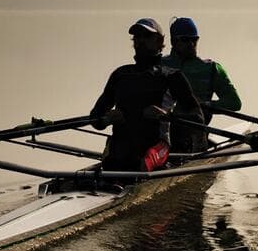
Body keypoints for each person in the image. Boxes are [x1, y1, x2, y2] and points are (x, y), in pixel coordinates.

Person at [89, 18, 203, 172]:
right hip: (122, 145)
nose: (141, 40)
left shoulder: (172, 76)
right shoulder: (120, 74)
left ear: (160, 41)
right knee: (113, 162)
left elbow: (197, 118)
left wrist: (167, 116)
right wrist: (106, 120)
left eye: (147, 36)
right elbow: (95, 117)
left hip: (156, 146)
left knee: (142, 163)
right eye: (137, 36)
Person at [161, 17, 243, 152]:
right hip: (161, 129)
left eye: (195, 39)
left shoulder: (211, 68)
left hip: (194, 132)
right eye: (185, 40)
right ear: (173, 41)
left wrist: (207, 104)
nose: (191, 44)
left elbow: (234, 103)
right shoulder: (158, 64)